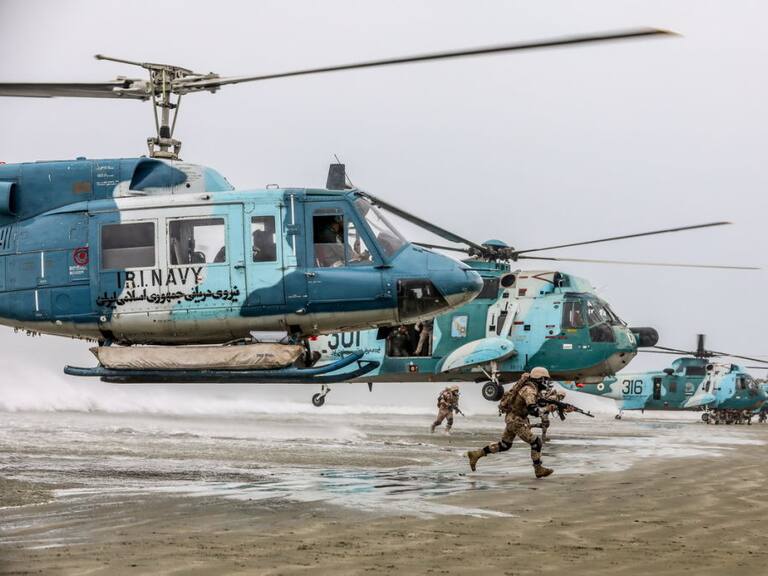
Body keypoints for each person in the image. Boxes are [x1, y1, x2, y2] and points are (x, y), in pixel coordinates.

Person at [466, 367, 555, 479]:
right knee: (536, 442)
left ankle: (476, 454)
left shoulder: (531, 389)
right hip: (516, 421)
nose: (546, 382)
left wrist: (551, 407)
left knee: (504, 445)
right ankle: (538, 469)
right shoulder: (529, 390)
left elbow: (537, 404)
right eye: (545, 379)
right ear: (539, 379)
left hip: (512, 419)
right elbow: (534, 410)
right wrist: (546, 410)